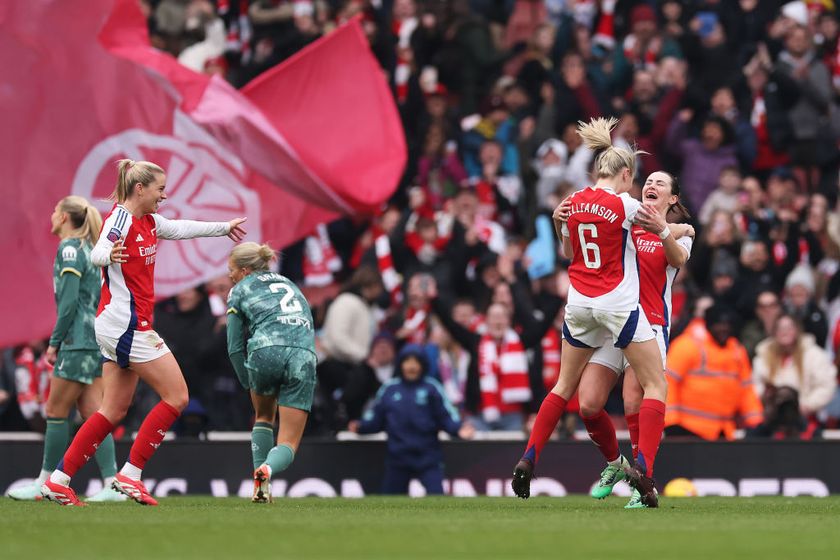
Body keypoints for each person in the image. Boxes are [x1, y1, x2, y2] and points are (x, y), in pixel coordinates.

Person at [41, 159, 246, 506]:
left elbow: (181, 229)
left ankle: (58, 480)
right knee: (177, 396)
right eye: (160, 189)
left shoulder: (149, 221)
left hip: (117, 324)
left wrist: (223, 227)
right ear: (140, 189)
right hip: (127, 325)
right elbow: (100, 249)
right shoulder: (120, 218)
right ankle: (130, 474)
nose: (163, 196)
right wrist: (107, 254)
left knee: (112, 410)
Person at [511, 117, 669, 508]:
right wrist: (680, 232)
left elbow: (568, 252)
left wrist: (556, 221)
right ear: (626, 175)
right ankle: (644, 472)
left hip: (578, 303)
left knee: (563, 387)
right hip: (616, 304)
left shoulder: (573, 201)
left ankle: (530, 456)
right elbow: (658, 228)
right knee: (654, 386)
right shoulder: (625, 203)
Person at [571, 171, 694, 508]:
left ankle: (644, 484)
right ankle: (617, 466)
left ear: (672, 199)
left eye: (661, 184)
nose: (651, 186)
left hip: (651, 325)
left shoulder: (677, 235)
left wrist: (668, 230)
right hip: (615, 321)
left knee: (632, 400)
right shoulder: (624, 224)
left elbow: (678, 258)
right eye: (649, 182)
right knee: (589, 403)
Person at [9, 196, 125, 503]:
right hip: (93, 338)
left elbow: (70, 302)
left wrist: (55, 341)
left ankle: (44, 482)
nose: (51, 214)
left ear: (63, 217)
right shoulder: (88, 249)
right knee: (93, 416)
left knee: (55, 412)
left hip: (76, 341)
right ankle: (113, 484)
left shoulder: (70, 248)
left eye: (54, 210)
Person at [225, 242, 317, 503]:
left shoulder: (239, 289)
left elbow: (234, 346)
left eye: (231, 270)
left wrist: (247, 382)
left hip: (265, 352)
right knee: (287, 443)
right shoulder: (291, 284)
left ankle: (259, 483)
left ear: (244, 270)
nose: (229, 275)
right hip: (302, 355)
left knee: (263, 417)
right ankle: (268, 470)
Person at [348, 344, 474, 495]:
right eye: (407, 361)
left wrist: (459, 428)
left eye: (416, 362)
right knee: (390, 506)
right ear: (401, 364)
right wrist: (361, 426)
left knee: (438, 501)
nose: (411, 366)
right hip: (398, 457)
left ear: (422, 365)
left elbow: (446, 416)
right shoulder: (390, 388)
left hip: (428, 456)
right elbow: (376, 418)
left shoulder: (431, 388)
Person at [665, 305, 764, 440]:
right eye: (719, 324)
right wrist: (671, 423)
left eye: (727, 325)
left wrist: (755, 423)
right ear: (708, 324)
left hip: (723, 432)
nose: (723, 328)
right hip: (687, 430)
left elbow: (746, 389)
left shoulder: (737, 351)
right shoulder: (687, 345)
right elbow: (668, 382)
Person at [752, 314, 837, 438]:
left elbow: (827, 385)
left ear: (797, 330)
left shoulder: (813, 354)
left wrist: (807, 406)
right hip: (772, 423)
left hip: (805, 420)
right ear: (774, 332)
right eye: (780, 328)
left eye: (789, 328)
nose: (784, 332)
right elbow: (755, 385)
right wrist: (769, 404)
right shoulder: (764, 355)